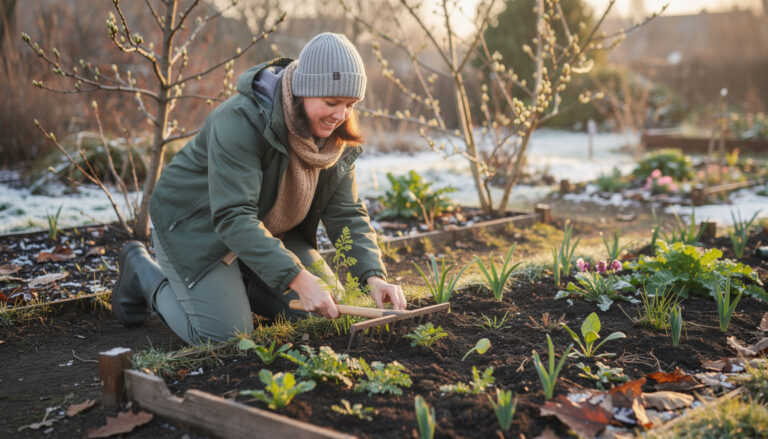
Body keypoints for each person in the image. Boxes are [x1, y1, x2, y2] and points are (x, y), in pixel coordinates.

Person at [111, 33, 407, 345]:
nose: (340, 115)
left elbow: (346, 212)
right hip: (197, 228)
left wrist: (374, 276)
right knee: (226, 336)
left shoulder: (335, 136)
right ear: (303, 91)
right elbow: (233, 216)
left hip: (264, 228)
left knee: (326, 306)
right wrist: (298, 278)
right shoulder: (241, 120)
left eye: (350, 104)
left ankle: (238, 283)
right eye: (331, 102)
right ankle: (141, 269)